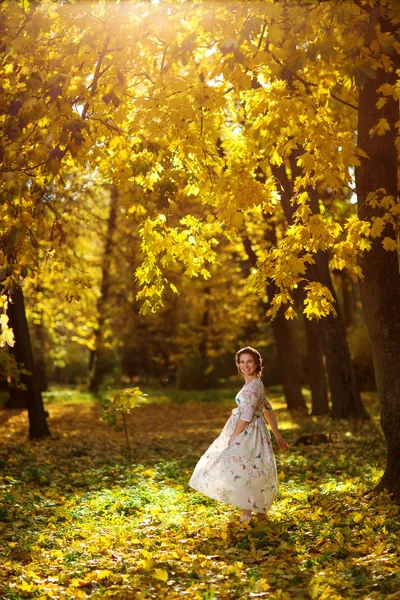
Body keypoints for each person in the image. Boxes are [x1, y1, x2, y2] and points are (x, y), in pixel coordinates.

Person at [189, 346, 289, 523]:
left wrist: (234, 436)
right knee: (250, 467)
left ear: (257, 363)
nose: (246, 365)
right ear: (238, 365)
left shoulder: (255, 385)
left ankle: (248, 514)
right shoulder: (254, 384)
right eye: (242, 362)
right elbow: (268, 408)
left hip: (249, 432)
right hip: (251, 429)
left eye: (249, 361)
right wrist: (277, 434)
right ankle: (259, 513)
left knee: (245, 468)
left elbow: (248, 414)